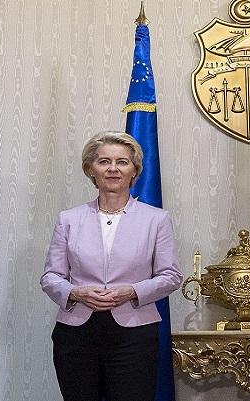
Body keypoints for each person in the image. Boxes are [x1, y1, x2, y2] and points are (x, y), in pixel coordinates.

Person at [41, 131, 182, 401]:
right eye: (104, 162)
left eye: (122, 162)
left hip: (135, 335)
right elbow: (51, 276)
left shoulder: (156, 220)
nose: (113, 169)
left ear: (135, 170)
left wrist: (132, 291)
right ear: (91, 170)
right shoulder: (69, 219)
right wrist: (75, 293)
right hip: (76, 334)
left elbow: (171, 276)